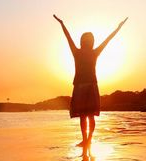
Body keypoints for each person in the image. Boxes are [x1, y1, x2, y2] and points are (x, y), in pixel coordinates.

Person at [54, 14, 127, 152]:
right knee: (83, 116)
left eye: (89, 40)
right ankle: (85, 139)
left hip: (89, 86)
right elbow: (68, 37)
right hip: (81, 87)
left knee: (90, 115)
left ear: (91, 41)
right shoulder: (77, 52)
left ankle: (88, 140)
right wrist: (62, 23)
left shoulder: (93, 52)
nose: (87, 42)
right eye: (85, 39)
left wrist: (118, 28)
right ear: (83, 41)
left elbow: (108, 40)